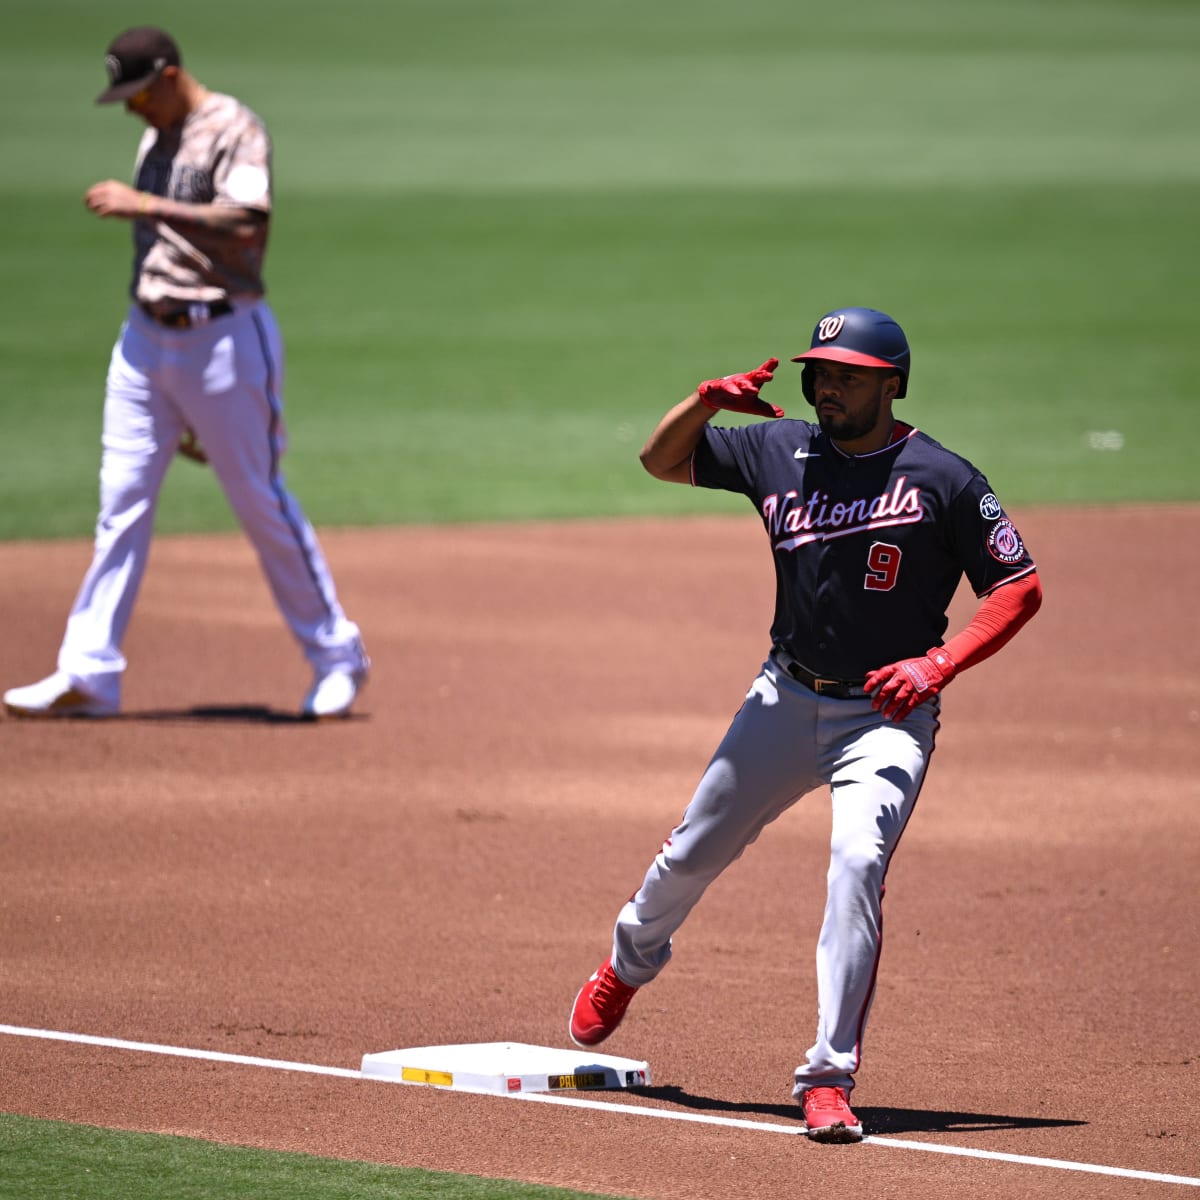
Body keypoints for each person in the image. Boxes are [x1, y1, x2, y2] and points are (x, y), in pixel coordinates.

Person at [568, 306, 1042, 1142]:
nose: (827, 385)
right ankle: (627, 964)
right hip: (782, 699)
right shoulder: (775, 447)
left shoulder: (945, 478)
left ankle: (826, 1078)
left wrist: (939, 665)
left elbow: (1017, 587)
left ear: (891, 384)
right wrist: (705, 399)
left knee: (858, 862)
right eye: (820, 371)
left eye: (848, 374)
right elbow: (660, 459)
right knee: (690, 852)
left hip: (886, 717)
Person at [3, 27, 369, 721]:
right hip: (145, 344)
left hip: (224, 340)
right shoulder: (157, 135)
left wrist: (146, 204)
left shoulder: (235, 128)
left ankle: (336, 656)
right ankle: (88, 672)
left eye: (137, 93)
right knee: (121, 501)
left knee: (260, 502)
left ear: (169, 76)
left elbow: (246, 223)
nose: (130, 109)